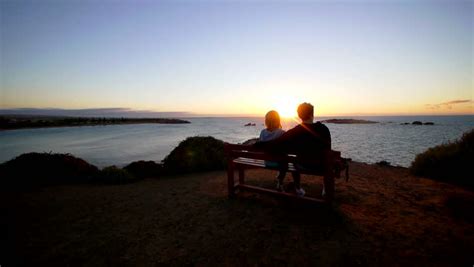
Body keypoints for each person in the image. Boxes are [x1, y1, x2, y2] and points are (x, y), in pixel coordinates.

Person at [256, 102, 332, 197]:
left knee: (293, 161)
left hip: (302, 165)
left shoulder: (295, 131)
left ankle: (297, 187)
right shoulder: (324, 129)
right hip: (321, 166)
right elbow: (328, 149)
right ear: (312, 114)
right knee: (326, 161)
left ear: (299, 115)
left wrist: (258, 144)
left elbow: (277, 142)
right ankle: (325, 188)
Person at [259, 110, 286, 191]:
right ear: (278, 120)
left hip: (267, 162)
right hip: (279, 163)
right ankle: (280, 182)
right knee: (284, 160)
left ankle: (279, 179)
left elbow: (260, 145)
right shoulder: (282, 133)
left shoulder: (263, 132)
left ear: (266, 121)